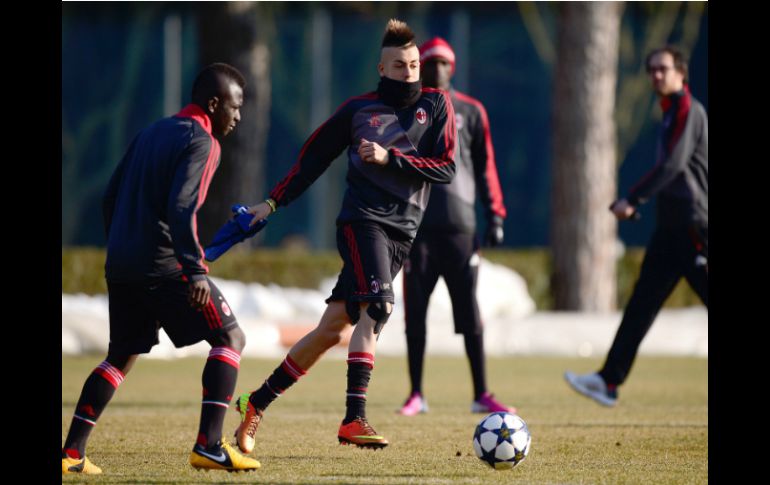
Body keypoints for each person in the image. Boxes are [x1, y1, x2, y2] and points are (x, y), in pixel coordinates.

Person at [232, 19, 457, 452]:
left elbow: (446, 168)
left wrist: (390, 158)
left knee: (333, 330)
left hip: (403, 233)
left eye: (414, 64)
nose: (409, 72)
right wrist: (272, 203)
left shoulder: (438, 105)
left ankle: (254, 402)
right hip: (362, 222)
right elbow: (311, 161)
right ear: (381, 68)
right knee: (381, 305)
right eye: (399, 65)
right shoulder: (359, 110)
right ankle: (354, 419)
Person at [61, 63, 261, 474]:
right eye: (236, 108)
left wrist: (123, 247)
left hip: (123, 264)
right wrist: (195, 269)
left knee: (121, 355)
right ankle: (208, 445)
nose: (238, 118)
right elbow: (182, 207)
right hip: (165, 266)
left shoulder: (151, 132)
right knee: (230, 336)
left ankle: (70, 455)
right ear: (214, 104)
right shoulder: (203, 142)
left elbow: (110, 197)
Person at [564, 46, 708, 407]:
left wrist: (634, 198)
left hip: (693, 226)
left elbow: (675, 165)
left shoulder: (687, 109)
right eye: (651, 70)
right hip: (670, 229)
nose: (656, 76)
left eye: (663, 69)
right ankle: (608, 381)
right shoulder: (667, 112)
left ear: (681, 72)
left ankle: (609, 379)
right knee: (641, 305)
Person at [397, 37, 515, 416]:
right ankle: (416, 393)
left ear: (453, 67)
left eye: (443, 63)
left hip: (462, 229)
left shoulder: (471, 111)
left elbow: (486, 166)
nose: (437, 69)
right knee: (414, 312)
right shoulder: (406, 110)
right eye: (430, 62)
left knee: (469, 312)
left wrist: (495, 214)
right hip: (417, 229)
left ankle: (481, 393)